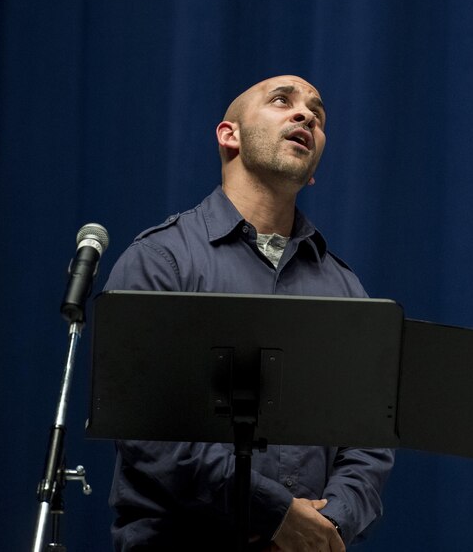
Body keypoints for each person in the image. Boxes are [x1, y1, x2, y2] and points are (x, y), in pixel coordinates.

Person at [103, 75, 394, 551]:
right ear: (229, 135)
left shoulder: (345, 289)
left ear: (314, 167)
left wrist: (333, 523)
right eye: (283, 101)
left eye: (316, 115)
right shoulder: (162, 261)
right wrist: (275, 512)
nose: (306, 116)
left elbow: (369, 442)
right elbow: (148, 431)